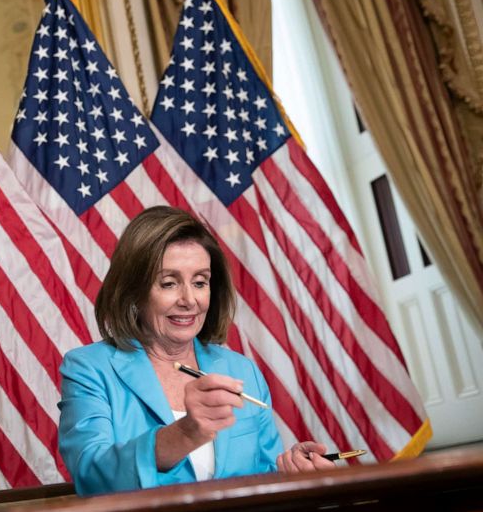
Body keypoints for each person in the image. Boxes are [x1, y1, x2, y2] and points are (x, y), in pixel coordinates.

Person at [58, 206, 333, 495]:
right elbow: (91, 475)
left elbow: (262, 475)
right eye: (169, 283)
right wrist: (186, 432)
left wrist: (292, 472)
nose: (189, 300)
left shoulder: (242, 370)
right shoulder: (89, 368)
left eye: (200, 282)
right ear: (134, 293)